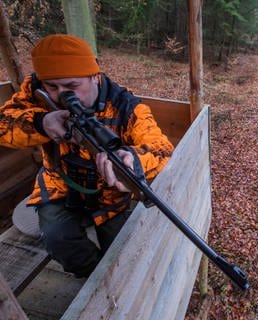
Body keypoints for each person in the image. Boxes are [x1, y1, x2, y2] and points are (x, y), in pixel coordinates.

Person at [0, 34, 174, 278]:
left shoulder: (126, 107)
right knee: (59, 240)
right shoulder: (35, 91)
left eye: (71, 87)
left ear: (95, 76)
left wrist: (132, 160)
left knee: (125, 255)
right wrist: (40, 122)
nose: (61, 95)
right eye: (53, 87)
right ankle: (93, 277)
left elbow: (162, 149)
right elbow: (3, 124)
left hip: (109, 196)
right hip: (59, 185)